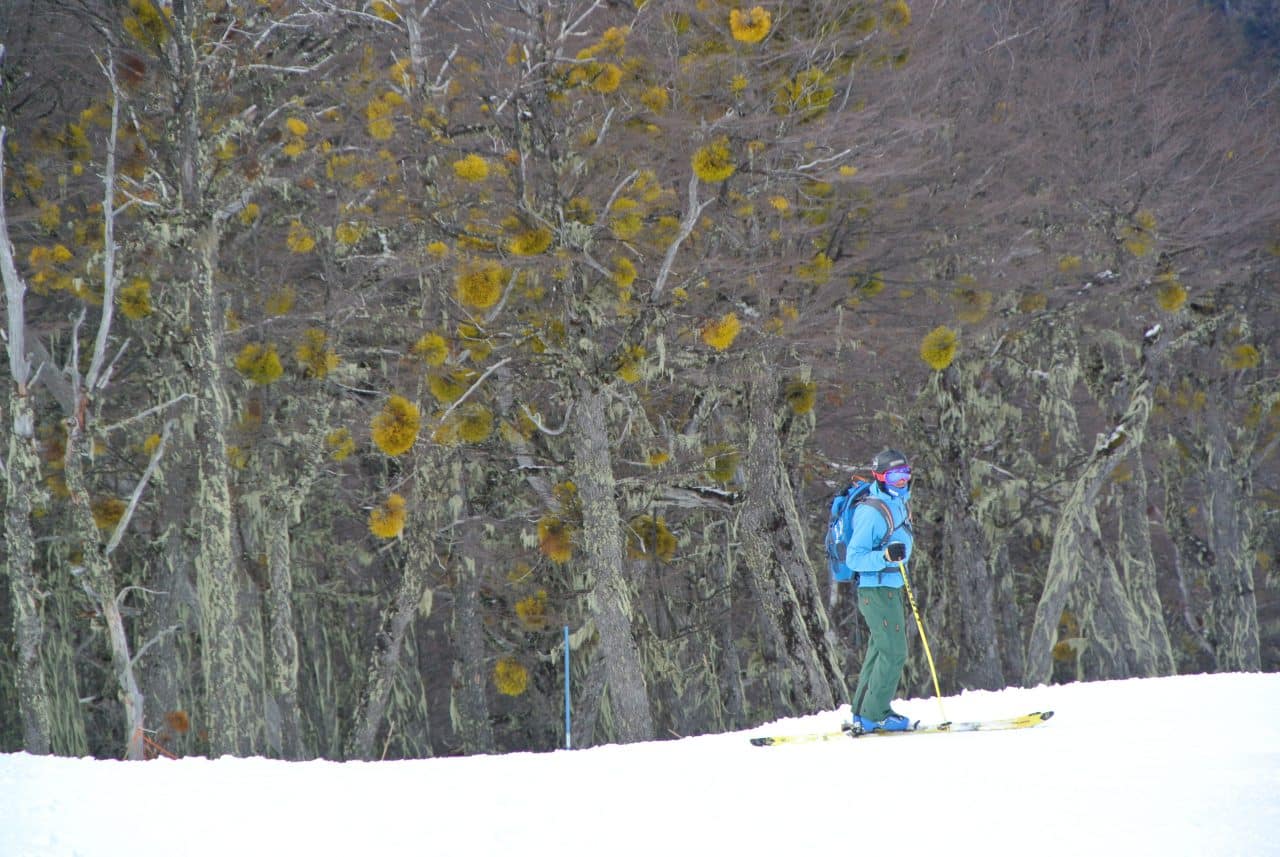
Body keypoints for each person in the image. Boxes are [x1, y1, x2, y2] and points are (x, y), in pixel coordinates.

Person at [845, 448, 915, 732]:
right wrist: (885, 557)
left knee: (880, 649)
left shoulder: (897, 501)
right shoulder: (871, 513)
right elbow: (854, 558)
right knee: (895, 652)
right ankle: (876, 714)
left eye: (905, 475)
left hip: (891, 587)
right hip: (877, 591)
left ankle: (863, 713)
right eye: (895, 477)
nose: (902, 482)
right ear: (880, 477)